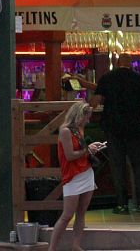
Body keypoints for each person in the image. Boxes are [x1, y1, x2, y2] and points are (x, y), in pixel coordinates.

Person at [94, 55, 140, 215]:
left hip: (113, 129)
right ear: (131, 64)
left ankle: (121, 205)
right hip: (135, 128)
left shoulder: (106, 78)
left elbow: (95, 101)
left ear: (116, 63)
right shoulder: (139, 80)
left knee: (117, 167)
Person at [49, 101, 103, 251]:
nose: (88, 120)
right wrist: (88, 150)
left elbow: (81, 151)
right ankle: (52, 248)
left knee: (81, 212)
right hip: (72, 174)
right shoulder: (65, 131)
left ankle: (76, 245)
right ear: (79, 115)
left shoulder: (79, 129)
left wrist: (90, 149)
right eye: (87, 117)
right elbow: (70, 155)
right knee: (67, 214)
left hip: (85, 171)